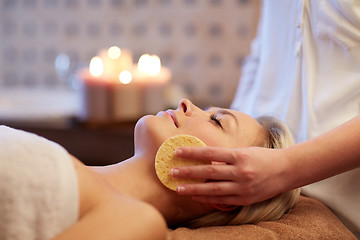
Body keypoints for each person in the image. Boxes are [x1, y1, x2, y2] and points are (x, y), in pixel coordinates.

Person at [169, 0, 360, 237]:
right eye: (214, 118)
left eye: (215, 120)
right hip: (250, 190)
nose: (184, 104)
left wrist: (286, 167)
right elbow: (264, 55)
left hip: (340, 208)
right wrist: (236, 139)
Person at [0, 99, 299, 240]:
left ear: (226, 186)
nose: (186, 103)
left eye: (217, 121)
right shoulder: (68, 164)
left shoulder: (138, 220)